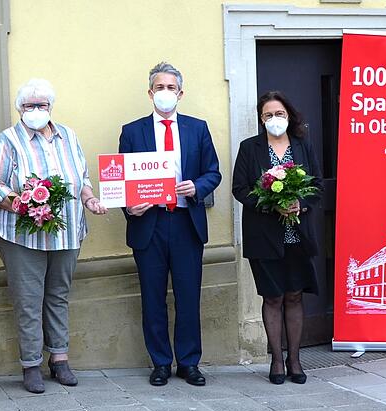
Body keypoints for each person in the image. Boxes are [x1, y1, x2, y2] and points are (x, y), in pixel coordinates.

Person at [0, 79, 107, 393]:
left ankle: (60, 358)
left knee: (59, 295)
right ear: (20, 109)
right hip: (23, 237)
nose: (35, 110)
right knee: (28, 300)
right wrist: (22, 205)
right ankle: (30, 364)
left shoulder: (68, 136)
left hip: (66, 232)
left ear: (50, 107)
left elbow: (82, 177)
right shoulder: (8, 140)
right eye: (29, 105)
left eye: (41, 105)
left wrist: (90, 199)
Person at [119, 62, 221, 386]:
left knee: (188, 296)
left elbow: (213, 172)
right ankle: (160, 362)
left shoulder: (197, 128)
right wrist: (129, 207)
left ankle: (189, 362)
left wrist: (198, 188)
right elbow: (121, 181)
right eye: (159, 88)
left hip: (185, 223)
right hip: (149, 224)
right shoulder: (132, 131)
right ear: (150, 93)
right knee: (152, 298)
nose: (166, 93)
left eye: (171, 88)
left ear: (181, 93)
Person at [232, 91, 322, 384]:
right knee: (273, 297)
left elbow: (318, 186)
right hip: (264, 235)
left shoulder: (302, 146)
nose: (274, 119)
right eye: (268, 115)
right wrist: (271, 204)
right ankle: (276, 361)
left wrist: (301, 204)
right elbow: (240, 188)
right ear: (261, 119)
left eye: (279, 114)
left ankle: (295, 359)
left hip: (297, 235)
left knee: (294, 295)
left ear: (289, 116)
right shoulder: (250, 148)